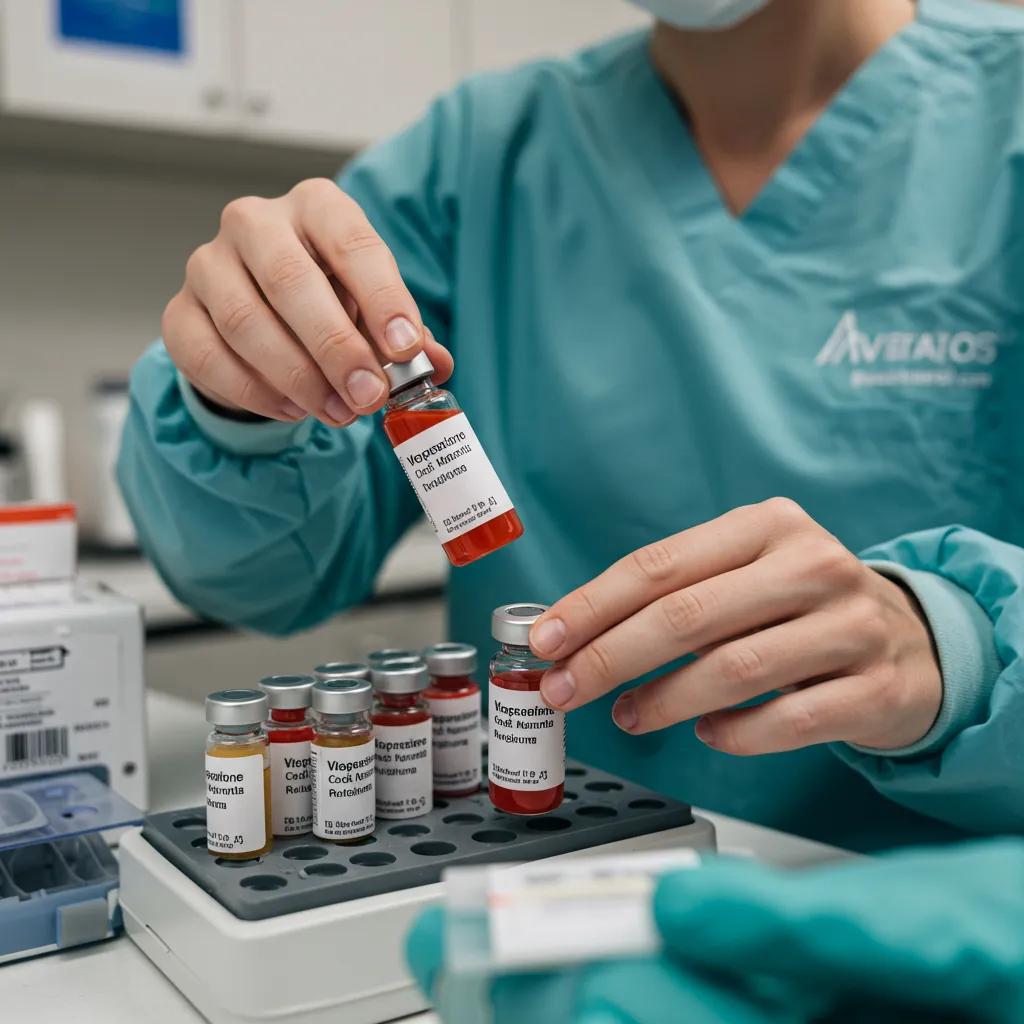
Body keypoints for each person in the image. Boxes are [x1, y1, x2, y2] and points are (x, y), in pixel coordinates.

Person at [118, 0, 1024, 852]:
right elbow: (262, 576)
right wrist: (245, 395)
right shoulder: (483, 158)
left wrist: (957, 654)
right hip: (548, 899)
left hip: (932, 930)